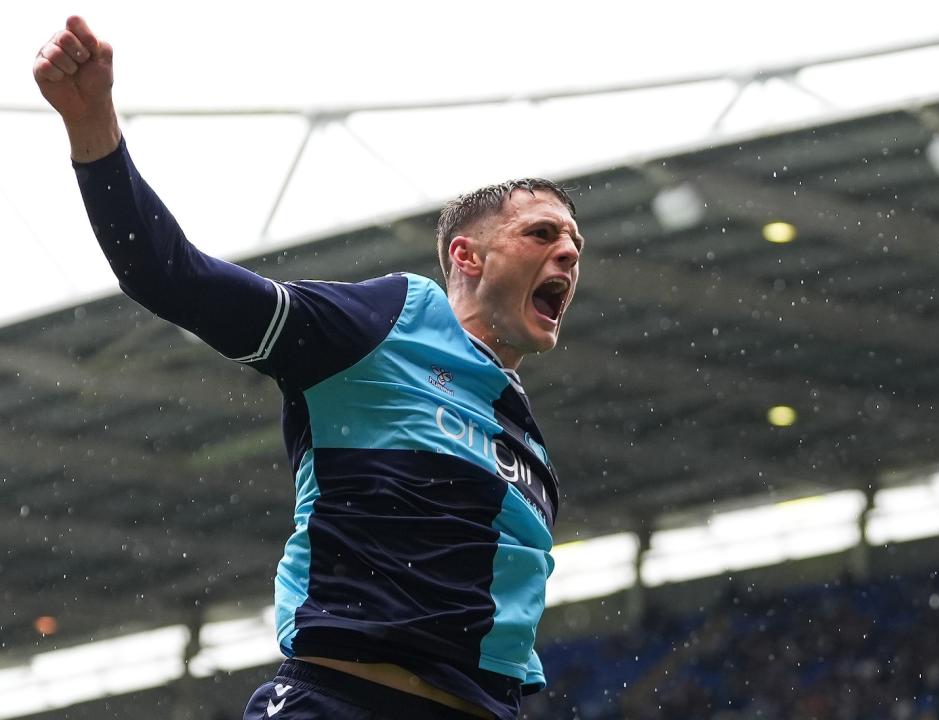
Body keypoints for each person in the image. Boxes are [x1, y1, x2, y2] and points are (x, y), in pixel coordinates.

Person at [34, 16, 584, 720]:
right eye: (541, 233)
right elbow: (169, 276)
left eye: (574, 241)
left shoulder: (530, 448)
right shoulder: (382, 326)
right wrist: (93, 125)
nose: (568, 252)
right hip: (339, 703)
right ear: (466, 258)